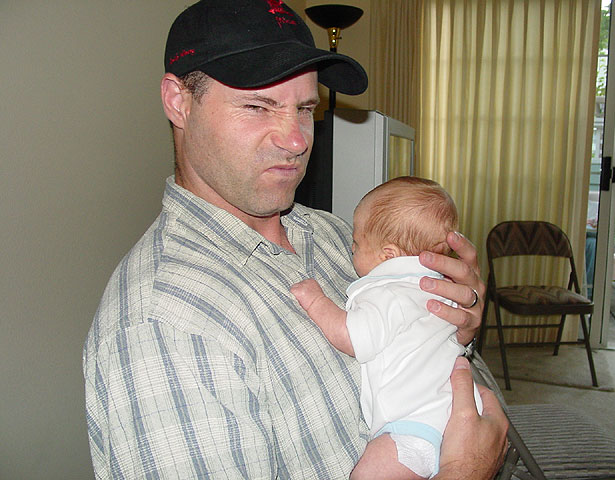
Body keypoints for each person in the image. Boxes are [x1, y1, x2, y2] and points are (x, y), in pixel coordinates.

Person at [83, 1, 508, 479]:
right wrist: (466, 470)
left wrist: (455, 327)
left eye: (305, 109)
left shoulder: (337, 235)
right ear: (178, 101)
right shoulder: (165, 323)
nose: (297, 140)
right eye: (257, 106)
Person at [290, 177, 484, 479]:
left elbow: (352, 337)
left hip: (411, 429)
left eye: (356, 244)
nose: (351, 249)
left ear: (388, 255)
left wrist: (316, 301)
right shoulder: (440, 289)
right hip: (451, 416)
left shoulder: (389, 293)